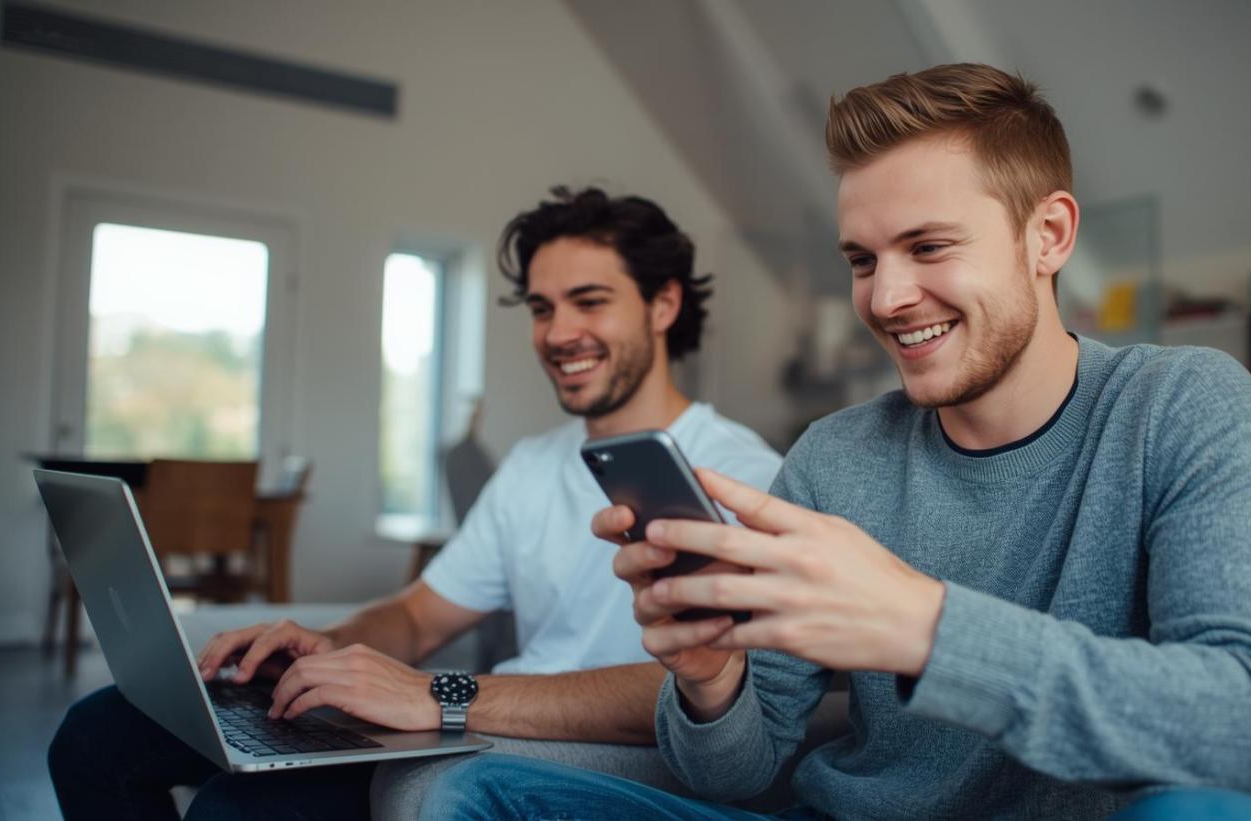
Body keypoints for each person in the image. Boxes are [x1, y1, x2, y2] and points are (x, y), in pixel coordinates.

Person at [423, 64, 1251, 820]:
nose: (886, 298)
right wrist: (708, 680)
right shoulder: (833, 456)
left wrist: (925, 627)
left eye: (928, 247)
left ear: (1046, 235)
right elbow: (734, 772)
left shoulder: (1180, 406)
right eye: (861, 260)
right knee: (480, 794)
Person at [47, 187, 782, 821]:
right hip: (478, 713)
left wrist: (441, 696)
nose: (558, 333)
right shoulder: (532, 464)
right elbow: (419, 615)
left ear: (663, 303)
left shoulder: (749, 477)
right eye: (540, 307)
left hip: (573, 743)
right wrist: (327, 645)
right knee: (94, 735)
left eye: (588, 301)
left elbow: (710, 693)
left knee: (241, 809)